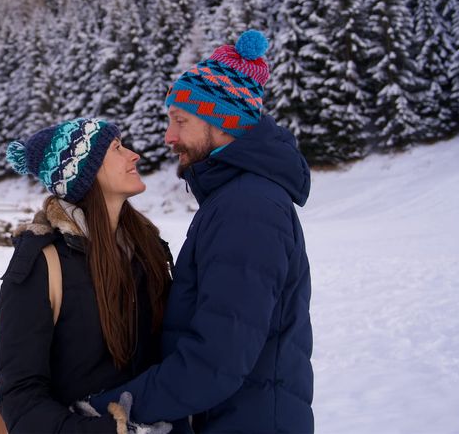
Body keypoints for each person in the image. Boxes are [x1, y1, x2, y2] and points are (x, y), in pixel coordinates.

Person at [88, 30, 314, 433]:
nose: (168, 136)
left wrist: (109, 410)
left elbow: (216, 362)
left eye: (181, 121)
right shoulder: (236, 199)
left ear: (224, 123)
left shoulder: (248, 209)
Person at [0, 117, 180, 433]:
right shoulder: (43, 262)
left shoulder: (148, 249)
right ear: (84, 172)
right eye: (116, 148)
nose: (133, 155)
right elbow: (20, 398)